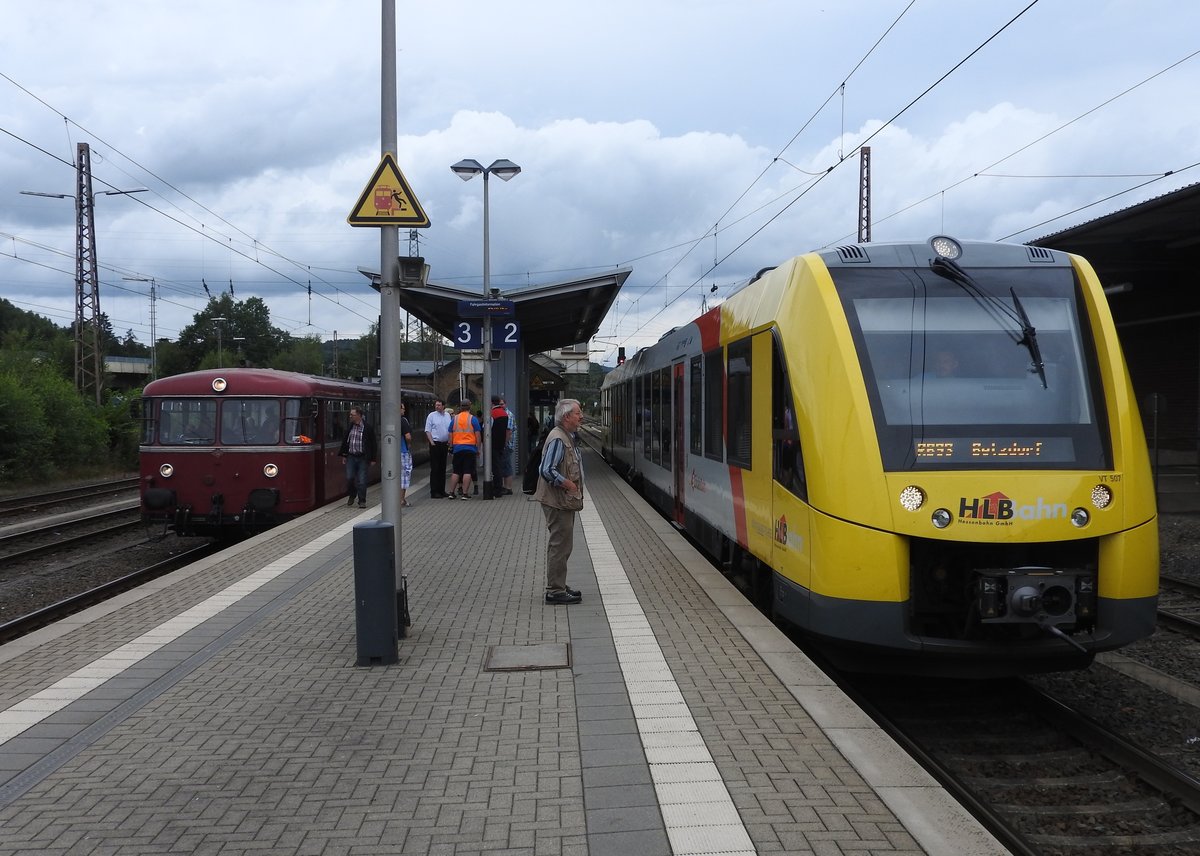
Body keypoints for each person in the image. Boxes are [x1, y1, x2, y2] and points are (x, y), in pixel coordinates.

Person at [535, 398, 584, 605]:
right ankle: (555, 591)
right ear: (566, 417)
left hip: (562, 501)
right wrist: (568, 485)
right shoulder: (558, 438)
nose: (581, 416)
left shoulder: (566, 436)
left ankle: (559, 585)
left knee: (564, 545)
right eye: (577, 413)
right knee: (559, 545)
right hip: (557, 501)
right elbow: (546, 469)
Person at [337, 407, 376, 508]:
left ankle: (362, 500)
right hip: (351, 456)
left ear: (359, 415)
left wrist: (373, 458)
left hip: (363, 457)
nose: (350, 416)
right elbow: (345, 441)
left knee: (362, 480)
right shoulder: (350, 427)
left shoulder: (367, 428)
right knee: (349, 477)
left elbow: (373, 444)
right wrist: (344, 455)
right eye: (350, 415)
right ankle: (352, 493)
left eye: (352, 415)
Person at [446, 400, 481, 500]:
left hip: (457, 448)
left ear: (460, 407)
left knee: (456, 471)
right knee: (467, 471)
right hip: (470, 448)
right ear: (469, 407)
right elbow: (478, 435)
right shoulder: (473, 419)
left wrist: (451, 446)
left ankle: (451, 493)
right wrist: (478, 449)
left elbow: (450, 433)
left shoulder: (455, 419)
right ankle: (465, 494)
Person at [424, 398, 451, 498]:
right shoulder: (431, 416)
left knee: (442, 468)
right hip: (435, 443)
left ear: (443, 406)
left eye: (439, 405)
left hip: (444, 444)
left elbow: (449, 429)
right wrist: (431, 442)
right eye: (436, 405)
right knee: (435, 468)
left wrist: (449, 442)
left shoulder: (448, 415)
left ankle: (442, 490)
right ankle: (434, 491)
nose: (437, 406)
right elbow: (428, 430)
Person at [489, 394, 512, 496]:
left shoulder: (492, 413)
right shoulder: (505, 414)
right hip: (501, 443)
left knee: (495, 467)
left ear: (491, 402)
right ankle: (499, 487)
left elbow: (487, 428)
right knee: (499, 465)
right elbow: (507, 430)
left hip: (492, 443)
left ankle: (497, 489)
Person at [399, 402, 414, 508]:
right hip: (403, 452)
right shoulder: (403, 420)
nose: (404, 410)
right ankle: (401, 499)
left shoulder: (388, 419)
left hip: (391, 454)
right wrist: (409, 445)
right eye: (403, 408)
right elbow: (408, 436)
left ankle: (396, 499)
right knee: (404, 476)